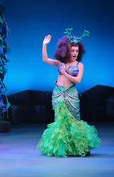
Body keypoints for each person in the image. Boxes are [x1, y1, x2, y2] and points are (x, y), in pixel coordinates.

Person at [38, 28, 100, 157]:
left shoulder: (80, 65)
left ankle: (77, 146)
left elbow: (78, 80)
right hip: (58, 92)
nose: (75, 53)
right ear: (66, 50)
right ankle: (62, 147)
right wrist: (44, 45)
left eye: (77, 51)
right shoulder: (60, 62)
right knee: (59, 120)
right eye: (72, 50)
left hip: (71, 93)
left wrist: (66, 73)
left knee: (73, 119)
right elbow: (45, 60)